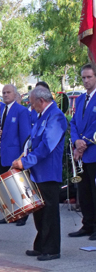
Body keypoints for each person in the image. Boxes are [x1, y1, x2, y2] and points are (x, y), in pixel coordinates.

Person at [12, 86, 66, 260]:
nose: (30, 105)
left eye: (32, 102)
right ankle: (41, 245)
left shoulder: (56, 116)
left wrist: (25, 162)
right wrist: (23, 158)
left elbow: (46, 146)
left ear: (41, 101)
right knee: (39, 210)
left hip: (48, 171)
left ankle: (51, 249)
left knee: (49, 211)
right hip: (36, 171)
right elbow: (32, 143)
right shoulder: (42, 116)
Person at [0, 85, 31, 225]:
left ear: (16, 94)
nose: (5, 95)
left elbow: (25, 135)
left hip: (15, 154)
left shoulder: (21, 110)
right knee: (7, 186)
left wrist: (22, 156)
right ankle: (11, 213)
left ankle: (23, 214)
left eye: (8, 92)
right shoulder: (3, 110)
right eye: (3, 93)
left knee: (19, 186)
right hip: (4, 153)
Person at [69, 63, 96, 240]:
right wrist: (75, 140)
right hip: (82, 154)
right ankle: (87, 224)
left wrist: (83, 142)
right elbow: (73, 123)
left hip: (93, 151)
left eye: (89, 77)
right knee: (84, 191)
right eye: (83, 78)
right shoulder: (79, 99)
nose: (86, 81)